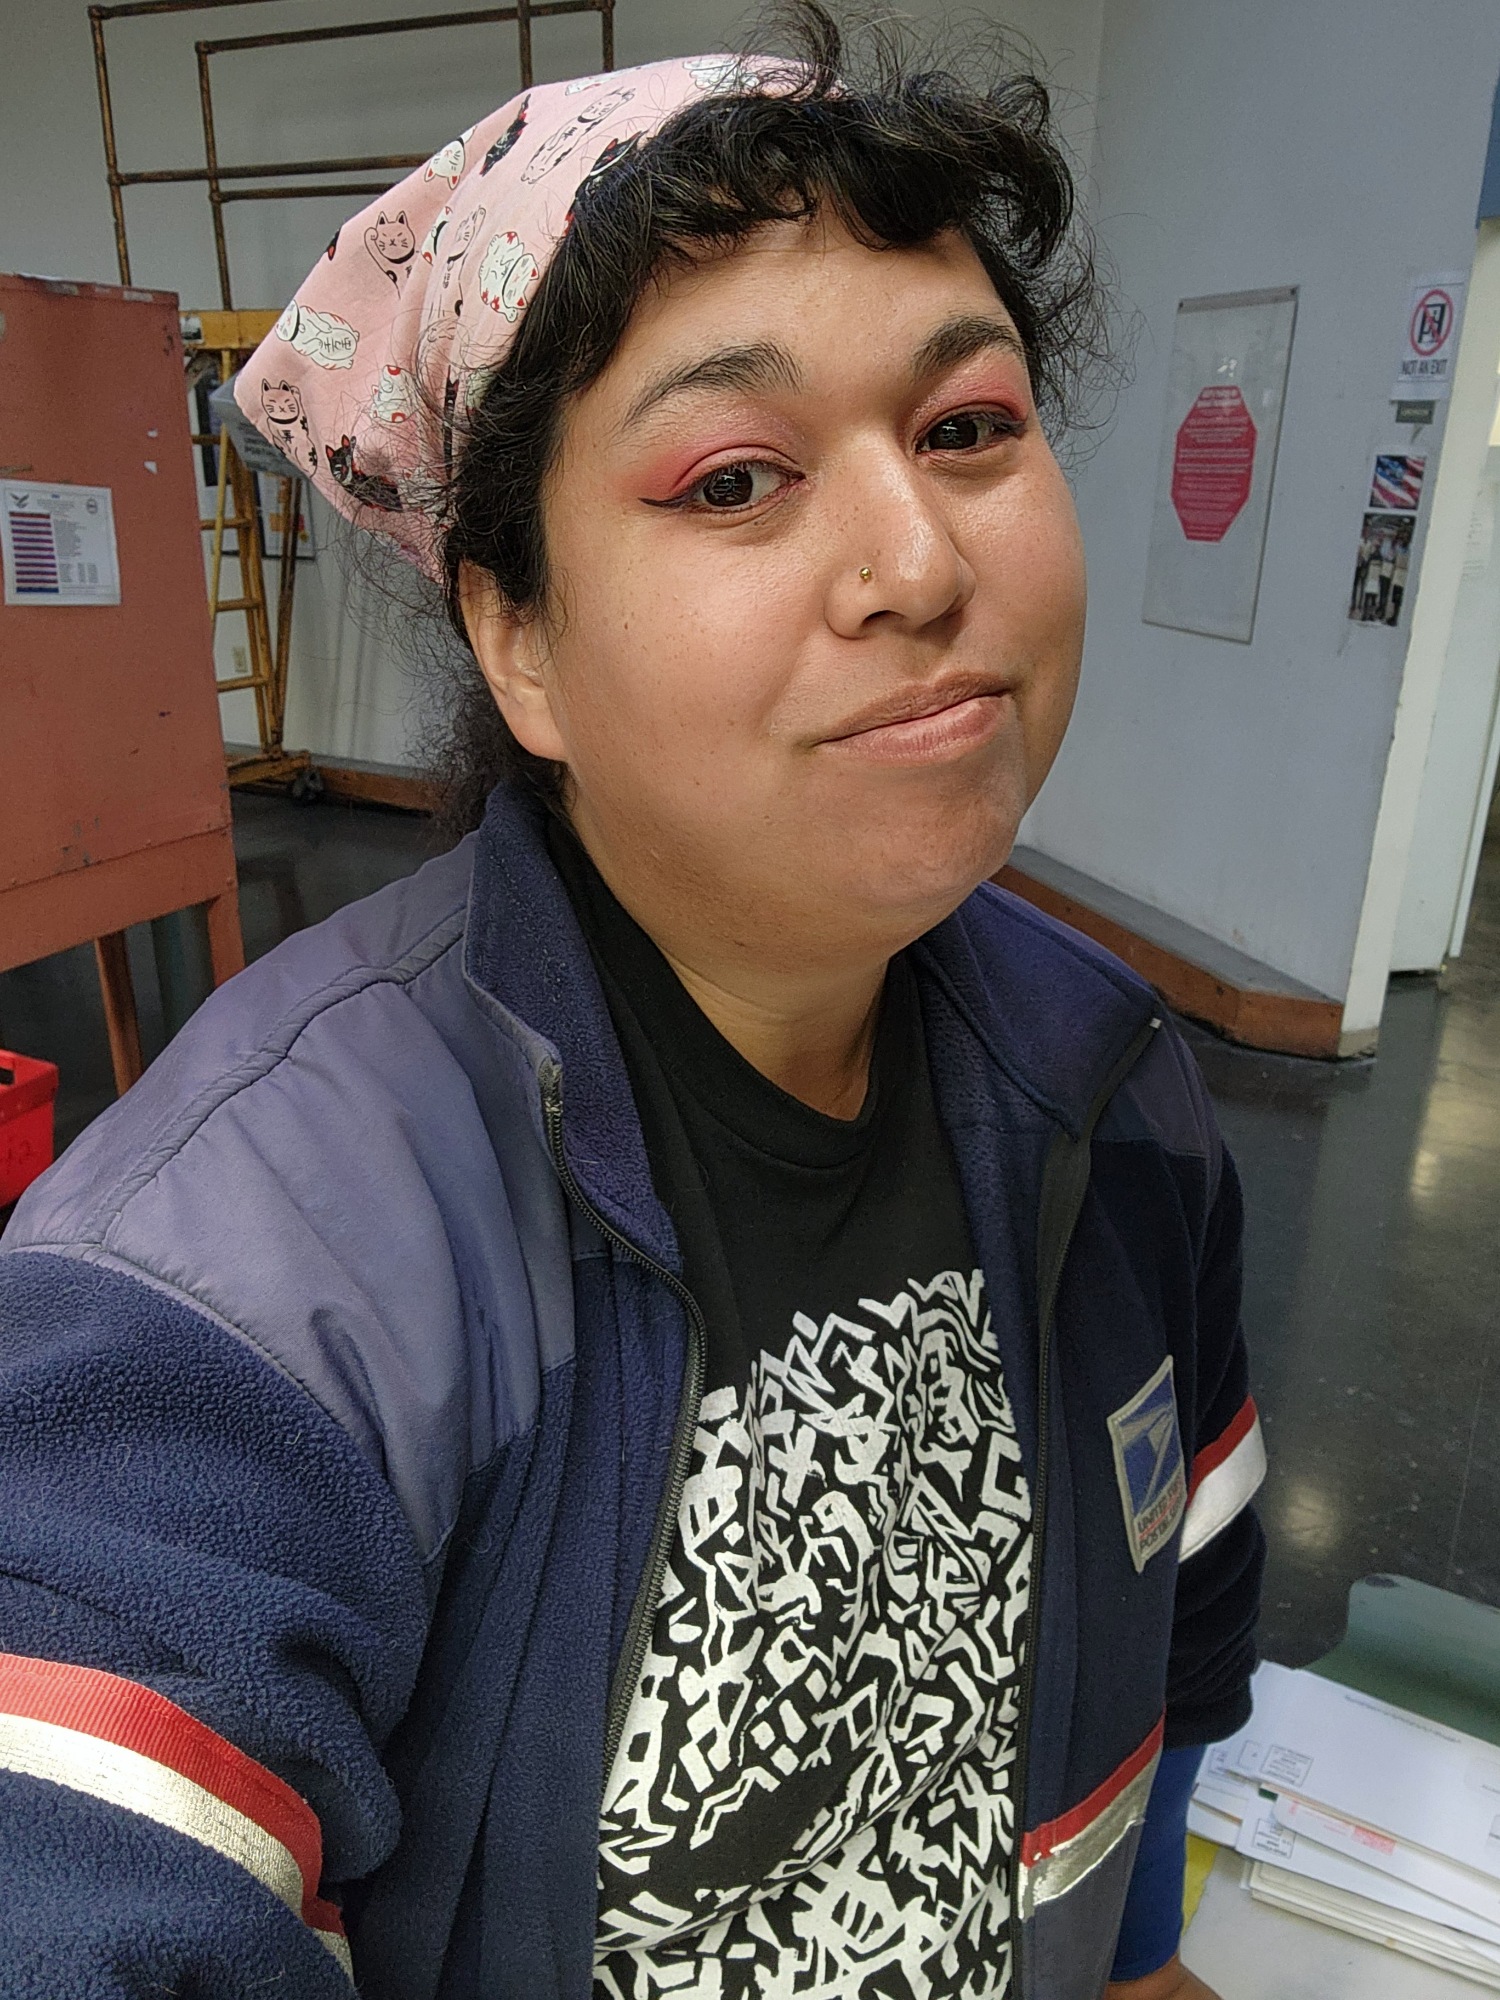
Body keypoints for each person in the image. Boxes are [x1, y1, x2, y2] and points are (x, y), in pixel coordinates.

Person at [0, 12, 1264, 1998]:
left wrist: (1143, 1957)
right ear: (520, 638)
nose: (918, 562)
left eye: (967, 429)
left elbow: (1178, 1633)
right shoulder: (240, 1280)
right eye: (738, 476)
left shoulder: (1115, 1099)